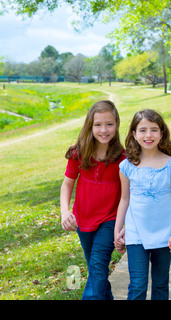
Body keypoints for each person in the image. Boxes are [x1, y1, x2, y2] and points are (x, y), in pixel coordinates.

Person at [114, 109, 171, 300]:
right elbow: (124, 199)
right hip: (136, 232)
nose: (148, 135)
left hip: (165, 233)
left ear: (162, 133)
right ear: (134, 134)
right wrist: (117, 229)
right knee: (137, 284)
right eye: (143, 130)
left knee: (161, 284)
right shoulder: (127, 166)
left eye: (154, 130)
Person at [60, 100, 126, 300]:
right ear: (90, 126)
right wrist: (65, 211)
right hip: (83, 220)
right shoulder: (79, 153)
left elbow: (126, 196)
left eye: (109, 124)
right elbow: (67, 185)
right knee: (96, 270)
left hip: (110, 219)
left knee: (97, 265)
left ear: (117, 125)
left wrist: (122, 226)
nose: (104, 130)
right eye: (98, 125)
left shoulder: (123, 158)